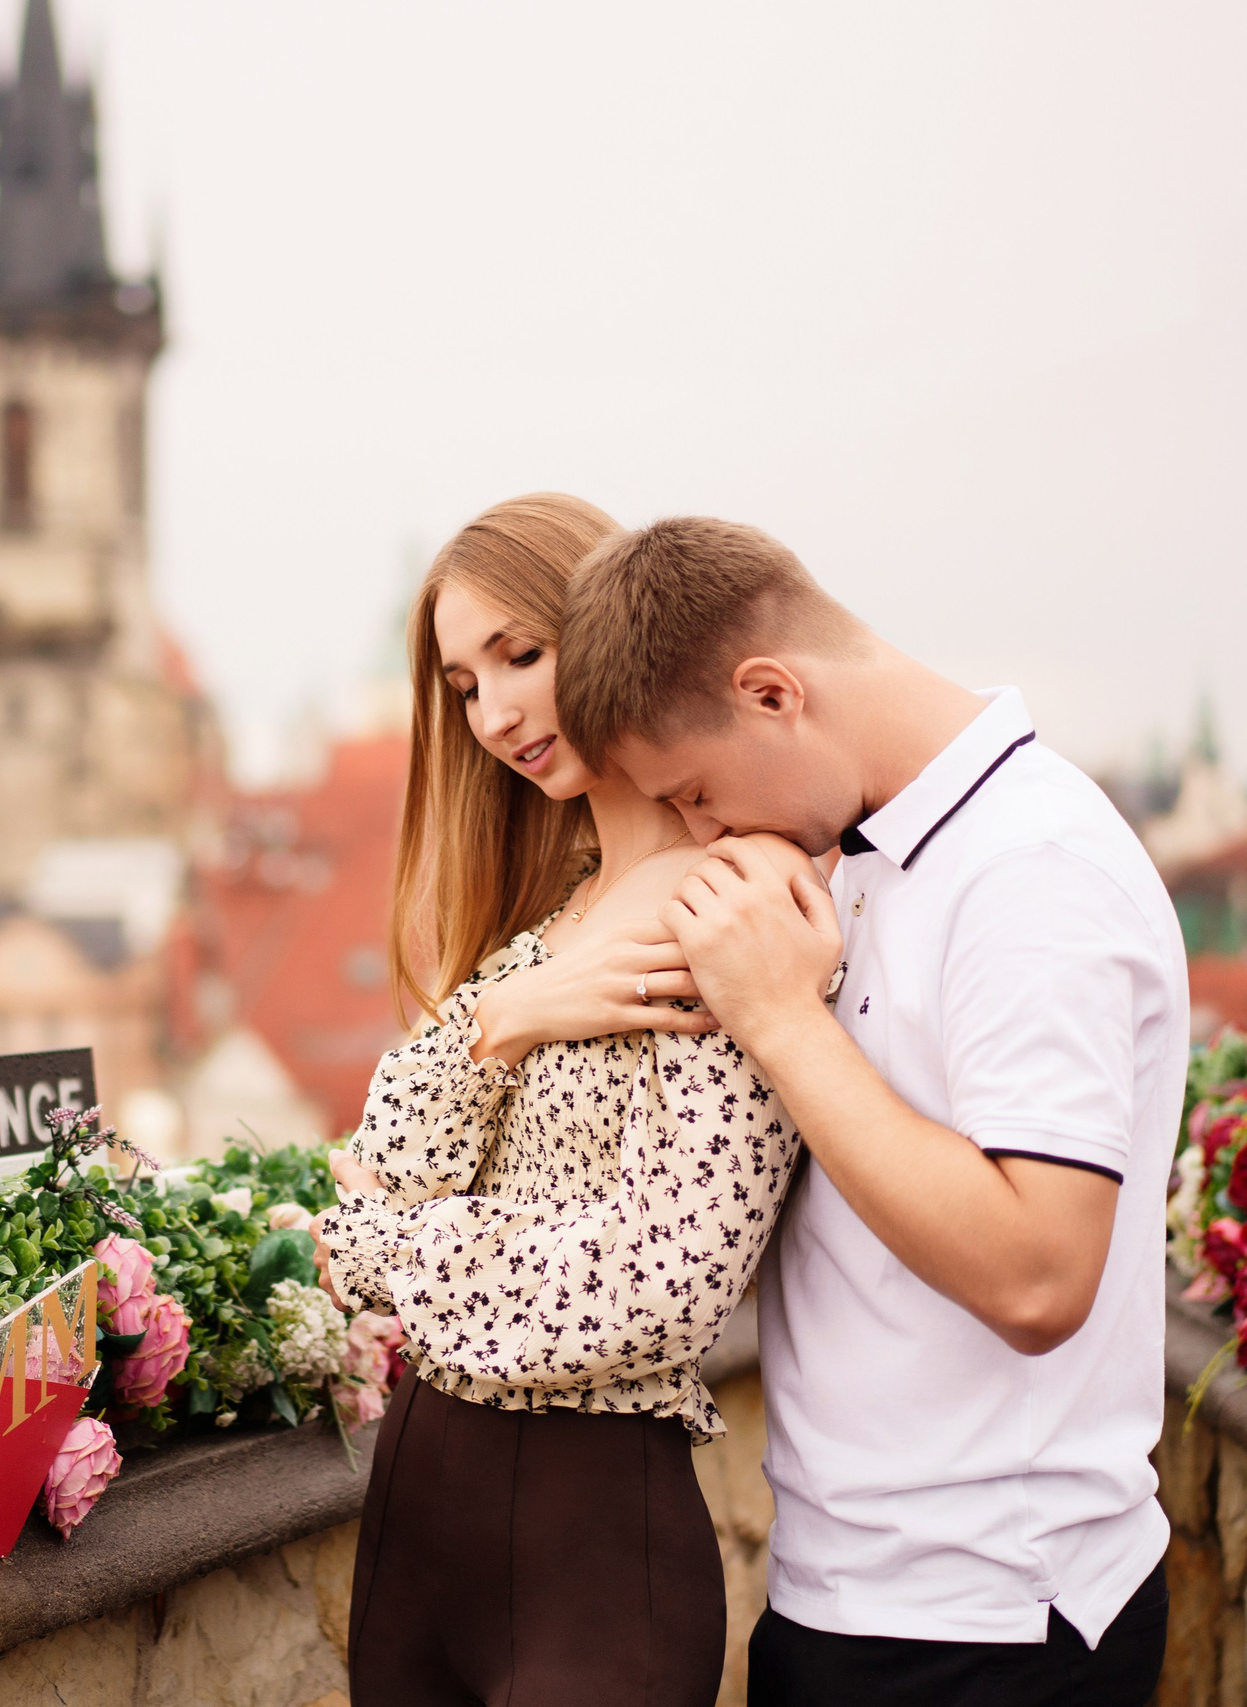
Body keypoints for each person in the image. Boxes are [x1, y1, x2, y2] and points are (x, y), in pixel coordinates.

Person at [554, 517, 1186, 1707]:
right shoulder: (872, 855)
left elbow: (1041, 1277)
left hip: (990, 1626)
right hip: (855, 1597)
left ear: (772, 692)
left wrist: (779, 1020)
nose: (701, 831)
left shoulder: (1028, 871)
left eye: (693, 791)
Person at [314, 493, 804, 1707]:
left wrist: (372, 1246)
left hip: (589, 1534)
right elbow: (397, 1153)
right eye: (463, 684)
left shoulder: (730, 909)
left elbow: (659, 1283)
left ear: (604, 628)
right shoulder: (548, 928)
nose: (494, 715)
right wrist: (505, 1020)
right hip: (417, 1511)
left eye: (519, 657)